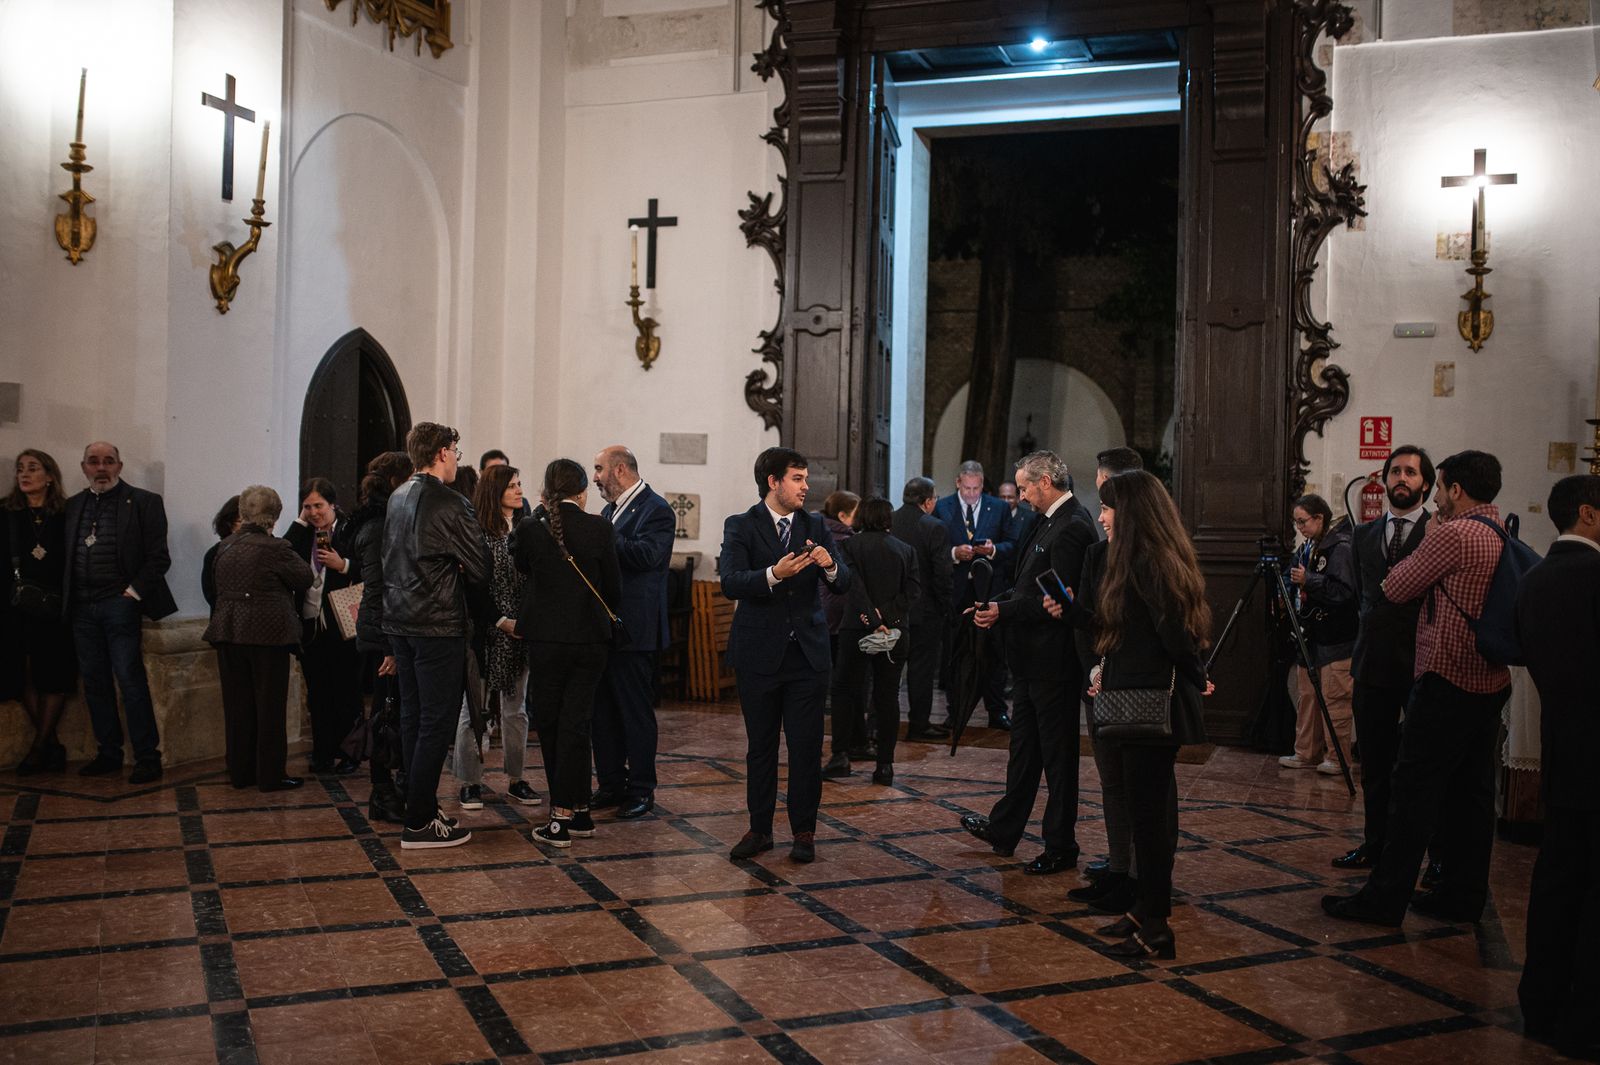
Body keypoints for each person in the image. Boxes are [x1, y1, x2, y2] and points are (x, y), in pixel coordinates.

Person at [1323, 450, 1513, 926]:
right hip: (1487, 678)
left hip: (1445, 677)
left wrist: (1425, 545)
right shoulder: (1497, 531)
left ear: (1451, 489)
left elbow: (1396, 587)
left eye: (1440, 483)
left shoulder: (1450, 534)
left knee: (1412, 790)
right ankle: (1461, 894)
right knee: (1472, 791)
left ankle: (1384, 899)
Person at [1066, 470, 1212, 959]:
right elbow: (1126, 628)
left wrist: (1197, 675)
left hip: (1151, 705)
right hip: (1133, 698)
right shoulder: (1138, 561)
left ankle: (1157, 929)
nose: (1102, 515)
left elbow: (1174, 633)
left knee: (1149, 823)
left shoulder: (1152, 561)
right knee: (1141, 811)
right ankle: (1141, 913)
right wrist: (1071, 613)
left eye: (1108, 507)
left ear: (1130, 512)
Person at [961, 452, 1096, 873]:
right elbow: (1024, 586)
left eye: (1024, 487)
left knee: (1057, 758)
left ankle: (1061, 844)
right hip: (1029, 660)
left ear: (1045, 482)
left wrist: (1005, 612)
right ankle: (1005, 829)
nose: (1019, 495)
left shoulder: (1073, 525)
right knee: (1024, 752)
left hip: (1053, 661)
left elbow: (1059, 602)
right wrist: (994, 604)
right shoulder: (1046, 520)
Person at [720, 446, 852, 863]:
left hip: (808, 657)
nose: (806, 486)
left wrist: (830, 566)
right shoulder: (741, 525)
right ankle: (760, 829)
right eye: (797, 478)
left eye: (805, 478)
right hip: (758, 654)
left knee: (806, 748)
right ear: (773, 481)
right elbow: (731, 581)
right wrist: (775, 574)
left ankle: (804, 832)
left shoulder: (815, 524)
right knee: (761, 748)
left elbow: (843, 581)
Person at [1515, 474, 1600, 1059]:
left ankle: (1540, 1004)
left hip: (1564, 752)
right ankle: (1584, 1019)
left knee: (1557, 882)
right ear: (1590, 515)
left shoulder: (1536, 578)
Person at [383, 422, 492, 849]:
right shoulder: (451, 502)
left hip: (400, 622)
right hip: (436, 622)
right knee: (435, 723)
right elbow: (480, 567)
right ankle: (420, 821)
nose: (457, 461)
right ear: (444, 452)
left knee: (414, 717)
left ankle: (421, 806)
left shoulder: (397, 496)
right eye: (457, 454)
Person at [1335, 445, 1432, 871]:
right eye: (1396, 471)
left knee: (1420, 768)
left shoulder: (1438, 532)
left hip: (1420, 661)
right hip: (1373, 661)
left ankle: (1429, 858)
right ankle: (1374, 844)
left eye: (1411, 472)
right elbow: (1361, 594)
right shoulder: (1363, 535)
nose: (1401, 479)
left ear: (1425, 484)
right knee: (1373, 763)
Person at [515, 458, 621, 848]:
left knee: (554, 726)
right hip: (591, 641)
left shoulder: (530, 528)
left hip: (546, 641)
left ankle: (559, 819)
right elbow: (614, 589)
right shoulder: (600, 527)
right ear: (582, 491)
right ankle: (579, 811)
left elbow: (521, 568)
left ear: (547, 491)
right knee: (578, 725)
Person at [64, 441, 177, 783]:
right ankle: (108, 752)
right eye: (94, 462)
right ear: (84, 467)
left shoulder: (144, 502)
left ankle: (147, 756)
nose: (101, 468)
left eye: (108, 462)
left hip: (120, 604)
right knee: (95, 681)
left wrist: (132, 593)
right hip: (83, 607)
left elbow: (159, 557)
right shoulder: (72, 506)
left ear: (120, 466)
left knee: (130, 680)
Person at [203, 486, 313, 792]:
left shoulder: (224, 547)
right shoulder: (274, 548)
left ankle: (241, 772)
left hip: (228, 632)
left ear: (242, 513)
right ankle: (270, 775)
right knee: (269, 707)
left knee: (237, 707)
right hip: (268, 635)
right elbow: (304, 577)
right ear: (275, 516)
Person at [590, 445, 676, 820]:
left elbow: (647, 557)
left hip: (636, 629)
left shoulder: (657, 510)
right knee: (602, 711)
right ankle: (611, 783)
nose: (594, 477)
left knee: (635, 713)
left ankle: (642, 789)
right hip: (605, 627)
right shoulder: (611, 510)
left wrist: (601, 535)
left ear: (620, 470)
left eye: (598, 469)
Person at [455, 463, 539, 810]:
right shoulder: (477, 532)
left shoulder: (527, 528)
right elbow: (473, 586)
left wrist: (525, 620)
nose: (520, 491)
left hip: (521, 631)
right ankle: (470, 782)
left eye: (520, 484)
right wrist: (500, 619)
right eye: (513, 486)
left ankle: (517, 778)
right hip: (485, 631)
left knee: (515, 710)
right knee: (471, 710)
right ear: (495, 492)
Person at [827, 498, 916, 785]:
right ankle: (885, 766)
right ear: (888, 519)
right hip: (895, 631)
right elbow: (913, 593)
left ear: (861, 517)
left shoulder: (849, 546)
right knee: (887, 697)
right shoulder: (906, 550)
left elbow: (852, 585)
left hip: (856, 629)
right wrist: (885, 616)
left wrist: (869, 617)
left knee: (844, 691)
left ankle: (840, 756)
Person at [347, 451, 413, 824]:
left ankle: (396, 787)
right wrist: (388, 645)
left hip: (388, 631)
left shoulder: (383, 520)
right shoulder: (376, 527)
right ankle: (382, 792)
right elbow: (378, 588)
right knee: (386, 716)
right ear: (395, 483)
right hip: (384, 634)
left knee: (395, 712)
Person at [3, 450, 75, 774]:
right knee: (22, 675)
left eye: (33, 468)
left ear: (49, 476)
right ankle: (51, 745)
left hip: (55, 606)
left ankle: (39, 748)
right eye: (20, 469)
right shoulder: (5, 512)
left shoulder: (66, 514)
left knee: (54, 674)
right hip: (13, 606)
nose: (24, 474)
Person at [286, 478, 363, 774]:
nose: (314, 512)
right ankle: (323, 752)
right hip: (310, 625)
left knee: (346, 691)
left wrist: (341, 564)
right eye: (308, 506)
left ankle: (350, 753)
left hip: (343, 623)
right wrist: (300, 521)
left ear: (332, 504)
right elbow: (283, 551)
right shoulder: (304, 534)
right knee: (317, 693)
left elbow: (370, 566)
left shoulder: (349, 528)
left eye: (318, 505)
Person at [934, 460, 1016, 729]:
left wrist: (992, 550)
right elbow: (933, 548)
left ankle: (997, 710)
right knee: (955, 653)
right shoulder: (942, 506)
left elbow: (1013, 545)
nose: (971, 494)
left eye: (976, 488)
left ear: (983, 485)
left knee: (994, 653)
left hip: (990, 591)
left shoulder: (1000, 507)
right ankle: (955, 710)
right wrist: (954, 554)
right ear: (958, 483)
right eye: (967, 488)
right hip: (956, 591)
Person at [1280, 494, 1357, 775]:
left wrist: (1308, 580)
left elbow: (1344, 592)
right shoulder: (1309, 546)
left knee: (1335, 699)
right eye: (1296, 522)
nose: (1299, 527)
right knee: (1307, 696)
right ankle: (1305, 752)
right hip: (1310, 634)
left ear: (1319, 518)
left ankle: (1338, 759)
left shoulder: (1341, 547)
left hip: (1337, 637)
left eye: (1302, 521)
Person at [891, 477, 952, 740]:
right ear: (927, 501)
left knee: (888, 670)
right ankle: (918, 724)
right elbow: (942, 573)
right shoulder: (934, 526)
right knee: (921, 670)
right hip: (926, 611)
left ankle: (879, 726)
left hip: (892, 609)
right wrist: (946, 606)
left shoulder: (889, 521)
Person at [200, 495, 241, 613]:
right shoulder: (215, 553)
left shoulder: (263, 549)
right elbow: (210, 593)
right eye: (241, 521)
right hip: (225, 616)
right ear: (229, 524)